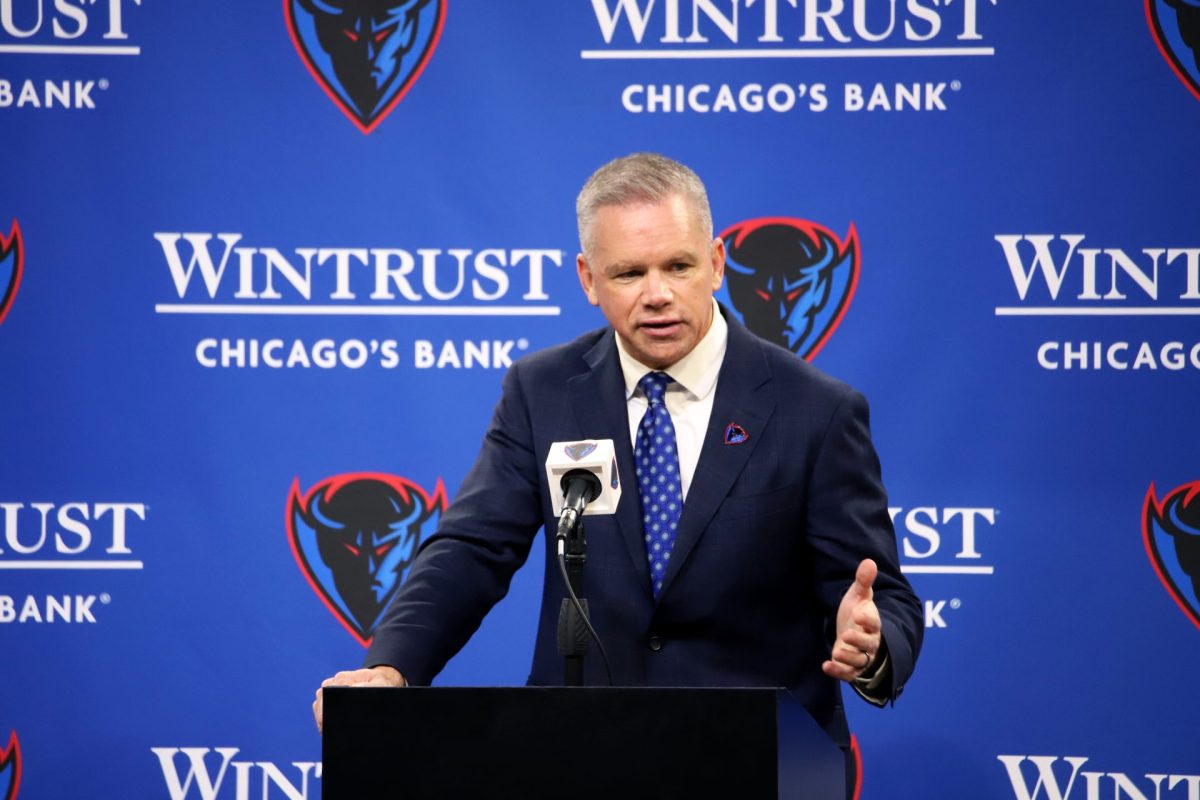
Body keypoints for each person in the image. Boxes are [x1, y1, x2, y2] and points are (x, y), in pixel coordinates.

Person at [313, 152, 922, 776]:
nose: (658, 295)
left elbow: (885, 600)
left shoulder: (816, 411)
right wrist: (389, 667)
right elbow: (472, 548)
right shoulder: (543, 390)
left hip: (762, 759)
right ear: (588, 279)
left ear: (714, 264)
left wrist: (871, 647)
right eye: (629, 272)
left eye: (679, 266)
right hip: (581, 756)